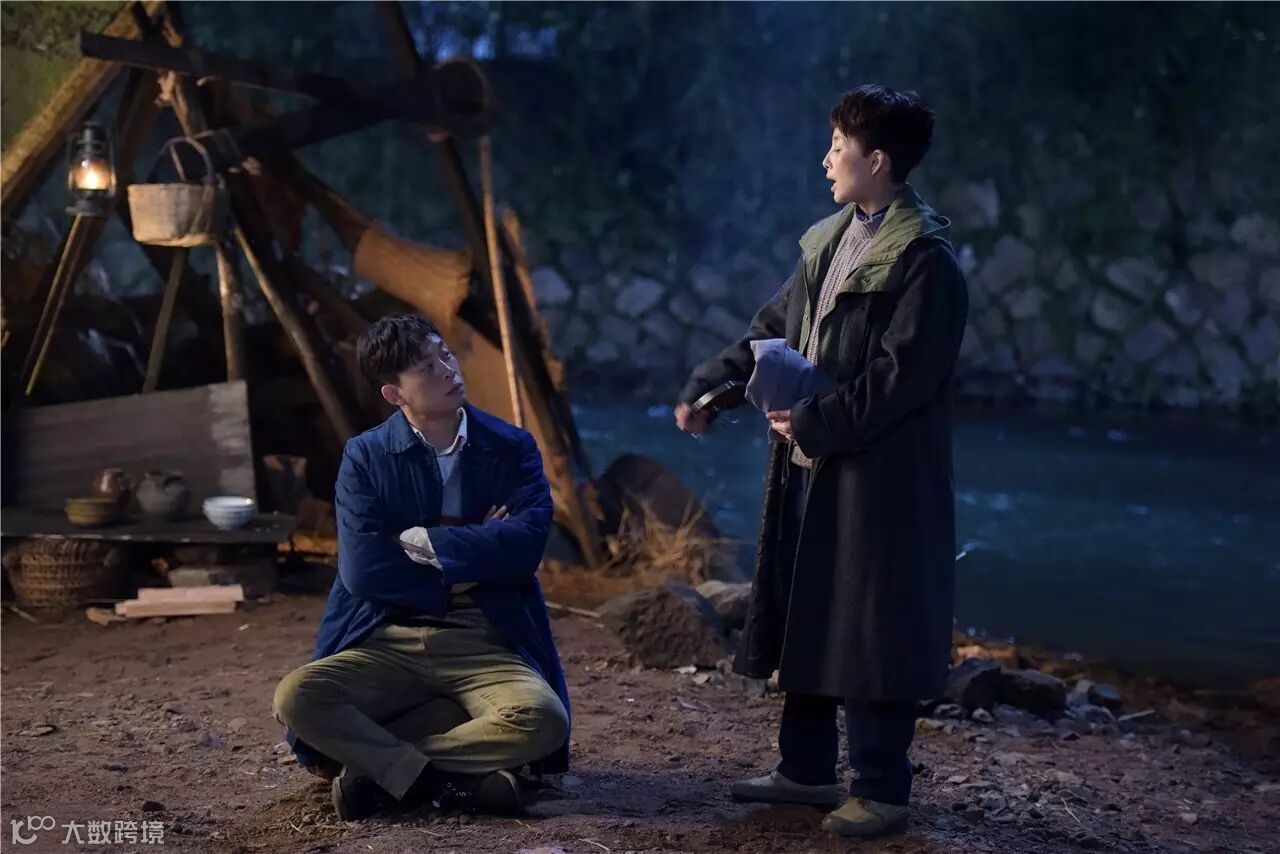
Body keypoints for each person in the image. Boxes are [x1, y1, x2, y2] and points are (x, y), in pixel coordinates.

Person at [674, 85, 969, 838]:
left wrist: (814, 421)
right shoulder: (829, 242)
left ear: (878, 160)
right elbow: (772, 333)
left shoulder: (926, 263)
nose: (827, 160)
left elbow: (901, 381)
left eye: (839, 147)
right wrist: (711, 387)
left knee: (871, 620)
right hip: (816, 461)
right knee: (810, 602)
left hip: (882, 479)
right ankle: (805, 769)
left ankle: (882, 787)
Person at [273, 313, 570, 821]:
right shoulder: (366, 456)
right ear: (394, 394)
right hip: (390, 636)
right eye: (426, 367)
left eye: (445, 355)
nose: (448, 370)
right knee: (297, 697)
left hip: (481, 634)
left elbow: (525, 546)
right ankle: (454, 783)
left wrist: (428, 541)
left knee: (543, 719)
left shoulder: (510, 447)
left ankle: (382, 776)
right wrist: (477, 548)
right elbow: (364, 570)